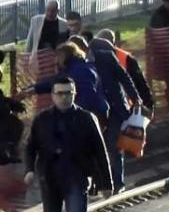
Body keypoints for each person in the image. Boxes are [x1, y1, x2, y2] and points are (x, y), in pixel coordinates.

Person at [24, 76, 113, 212]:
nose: (64, 98)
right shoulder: (42, 119)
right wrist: (29, 169)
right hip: (50, 179)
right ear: (53, 95)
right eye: (60, 93)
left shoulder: (85, 118)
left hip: (77, 177)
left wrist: (106, 182)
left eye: (69, 93)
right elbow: (30, 146)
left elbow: (100, 151)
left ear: (74, 94)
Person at [88, 38, 141, 192]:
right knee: (96, 147)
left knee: (113, 144)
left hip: (115, 108)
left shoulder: (105, 57)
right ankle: (98, 183)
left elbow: (124, 77)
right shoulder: (78, 63)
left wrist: (135, 97)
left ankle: (118, 183)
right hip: (96, 111)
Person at [20, 43, 109, 123]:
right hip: (94, 111)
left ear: (64, 55)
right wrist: (32, 89)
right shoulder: (74, 68)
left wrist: (76, 114)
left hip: (94, 113)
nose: (56, 60)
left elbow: (87, 95)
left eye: (58, 56)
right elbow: (54, 82)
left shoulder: (79, 70)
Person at [94, 29, 154, 113]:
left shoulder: (94, 58)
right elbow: (141, 84)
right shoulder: (125, 57)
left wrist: (148, 105)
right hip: (123, 107)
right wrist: (149, 105)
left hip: (126, 108)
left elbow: (140, 83)